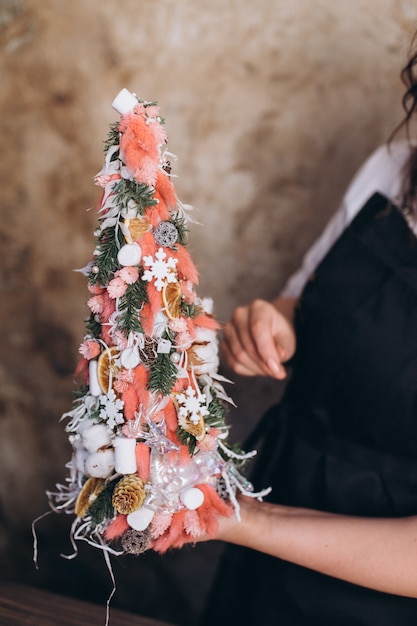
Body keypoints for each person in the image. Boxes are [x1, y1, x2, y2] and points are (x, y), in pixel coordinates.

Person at [199, 37, 417, 626]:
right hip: (282, 498)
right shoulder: (391, 169)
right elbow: (305, 298)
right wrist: (274, 325)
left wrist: (249, 522)